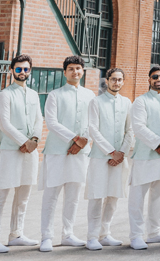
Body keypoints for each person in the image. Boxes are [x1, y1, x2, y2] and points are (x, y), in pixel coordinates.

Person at [0, 54, 42, 253]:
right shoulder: (4, 95)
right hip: (9, 151)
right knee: (0, 195)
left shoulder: (34, 95)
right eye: (19, 69)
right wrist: (23, 141)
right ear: (12, 70)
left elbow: (38, 120)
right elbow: (5, 124)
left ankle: (16, 234)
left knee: (23, 195)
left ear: (30, 70)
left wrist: (33, 140)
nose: (22, 72)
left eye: (26, 69)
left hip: (30, 152)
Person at [39, 55, 95, 251]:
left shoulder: (90, 95)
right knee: (51, 194)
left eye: (78, 68)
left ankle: (68, 234)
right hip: (56, 150)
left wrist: (82, 142)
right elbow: (52, 122)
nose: (75, 72)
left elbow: (92, 123)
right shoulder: (55, 95)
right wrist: (74, 138)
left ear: (83, 71)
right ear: (65, 72)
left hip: (81, 152)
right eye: (71, 68)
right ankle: (46, 236)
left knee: (74, 194)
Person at [128, 64, 160, 250]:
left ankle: (155, 231)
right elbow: (138, 127)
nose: (159, 79)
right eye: (155, 76)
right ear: (149, 79)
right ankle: (136, 235)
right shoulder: (140, 101)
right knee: (138, 196)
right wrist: (158, 143)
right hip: (145, 155)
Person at [85, 67, 133, 250]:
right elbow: (93, 129)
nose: (116, 83)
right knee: (97, 196)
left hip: (120, 157)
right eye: (113, 79)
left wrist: (121, 152)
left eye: (120, 79)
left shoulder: (127, 102)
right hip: (100, 157)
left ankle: (104, 234)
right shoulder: (96, 102)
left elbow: (130, 130)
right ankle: (92, 237)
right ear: (107, 80)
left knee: (113, 196)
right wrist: (111, 152)